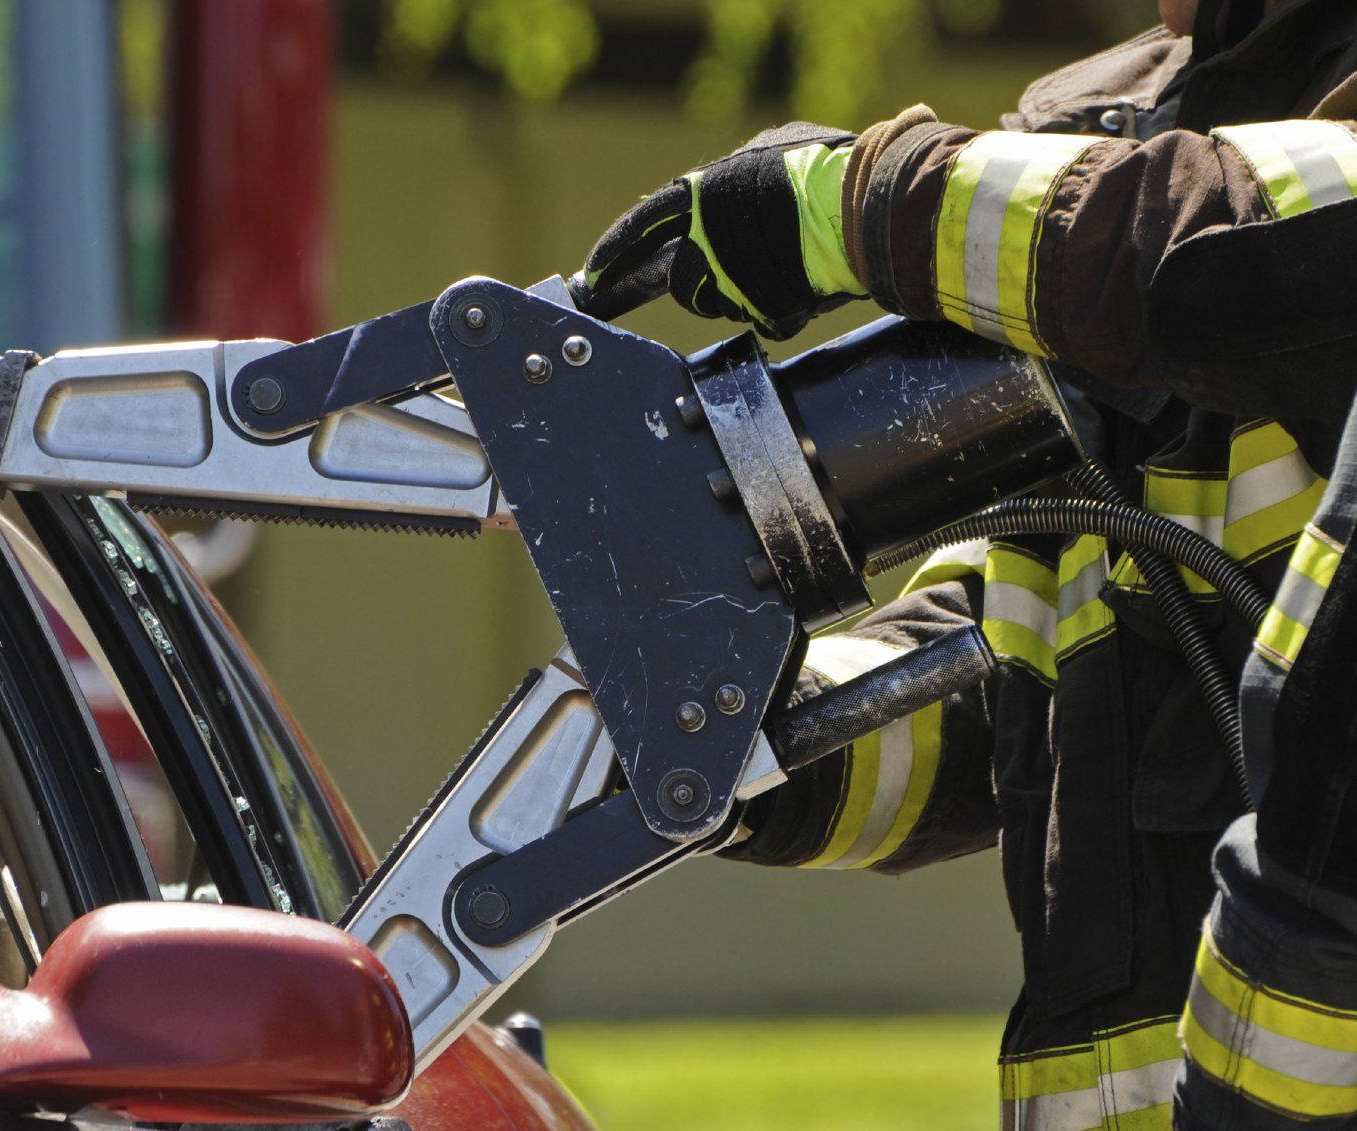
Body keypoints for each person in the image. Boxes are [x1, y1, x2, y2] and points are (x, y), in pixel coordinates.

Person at [577, 1, 1357, 1126]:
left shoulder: (1170, 204)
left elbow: (1230, 244)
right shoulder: (1131, 125)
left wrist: (857, 205)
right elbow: (1014, 663)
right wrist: (740, 737)